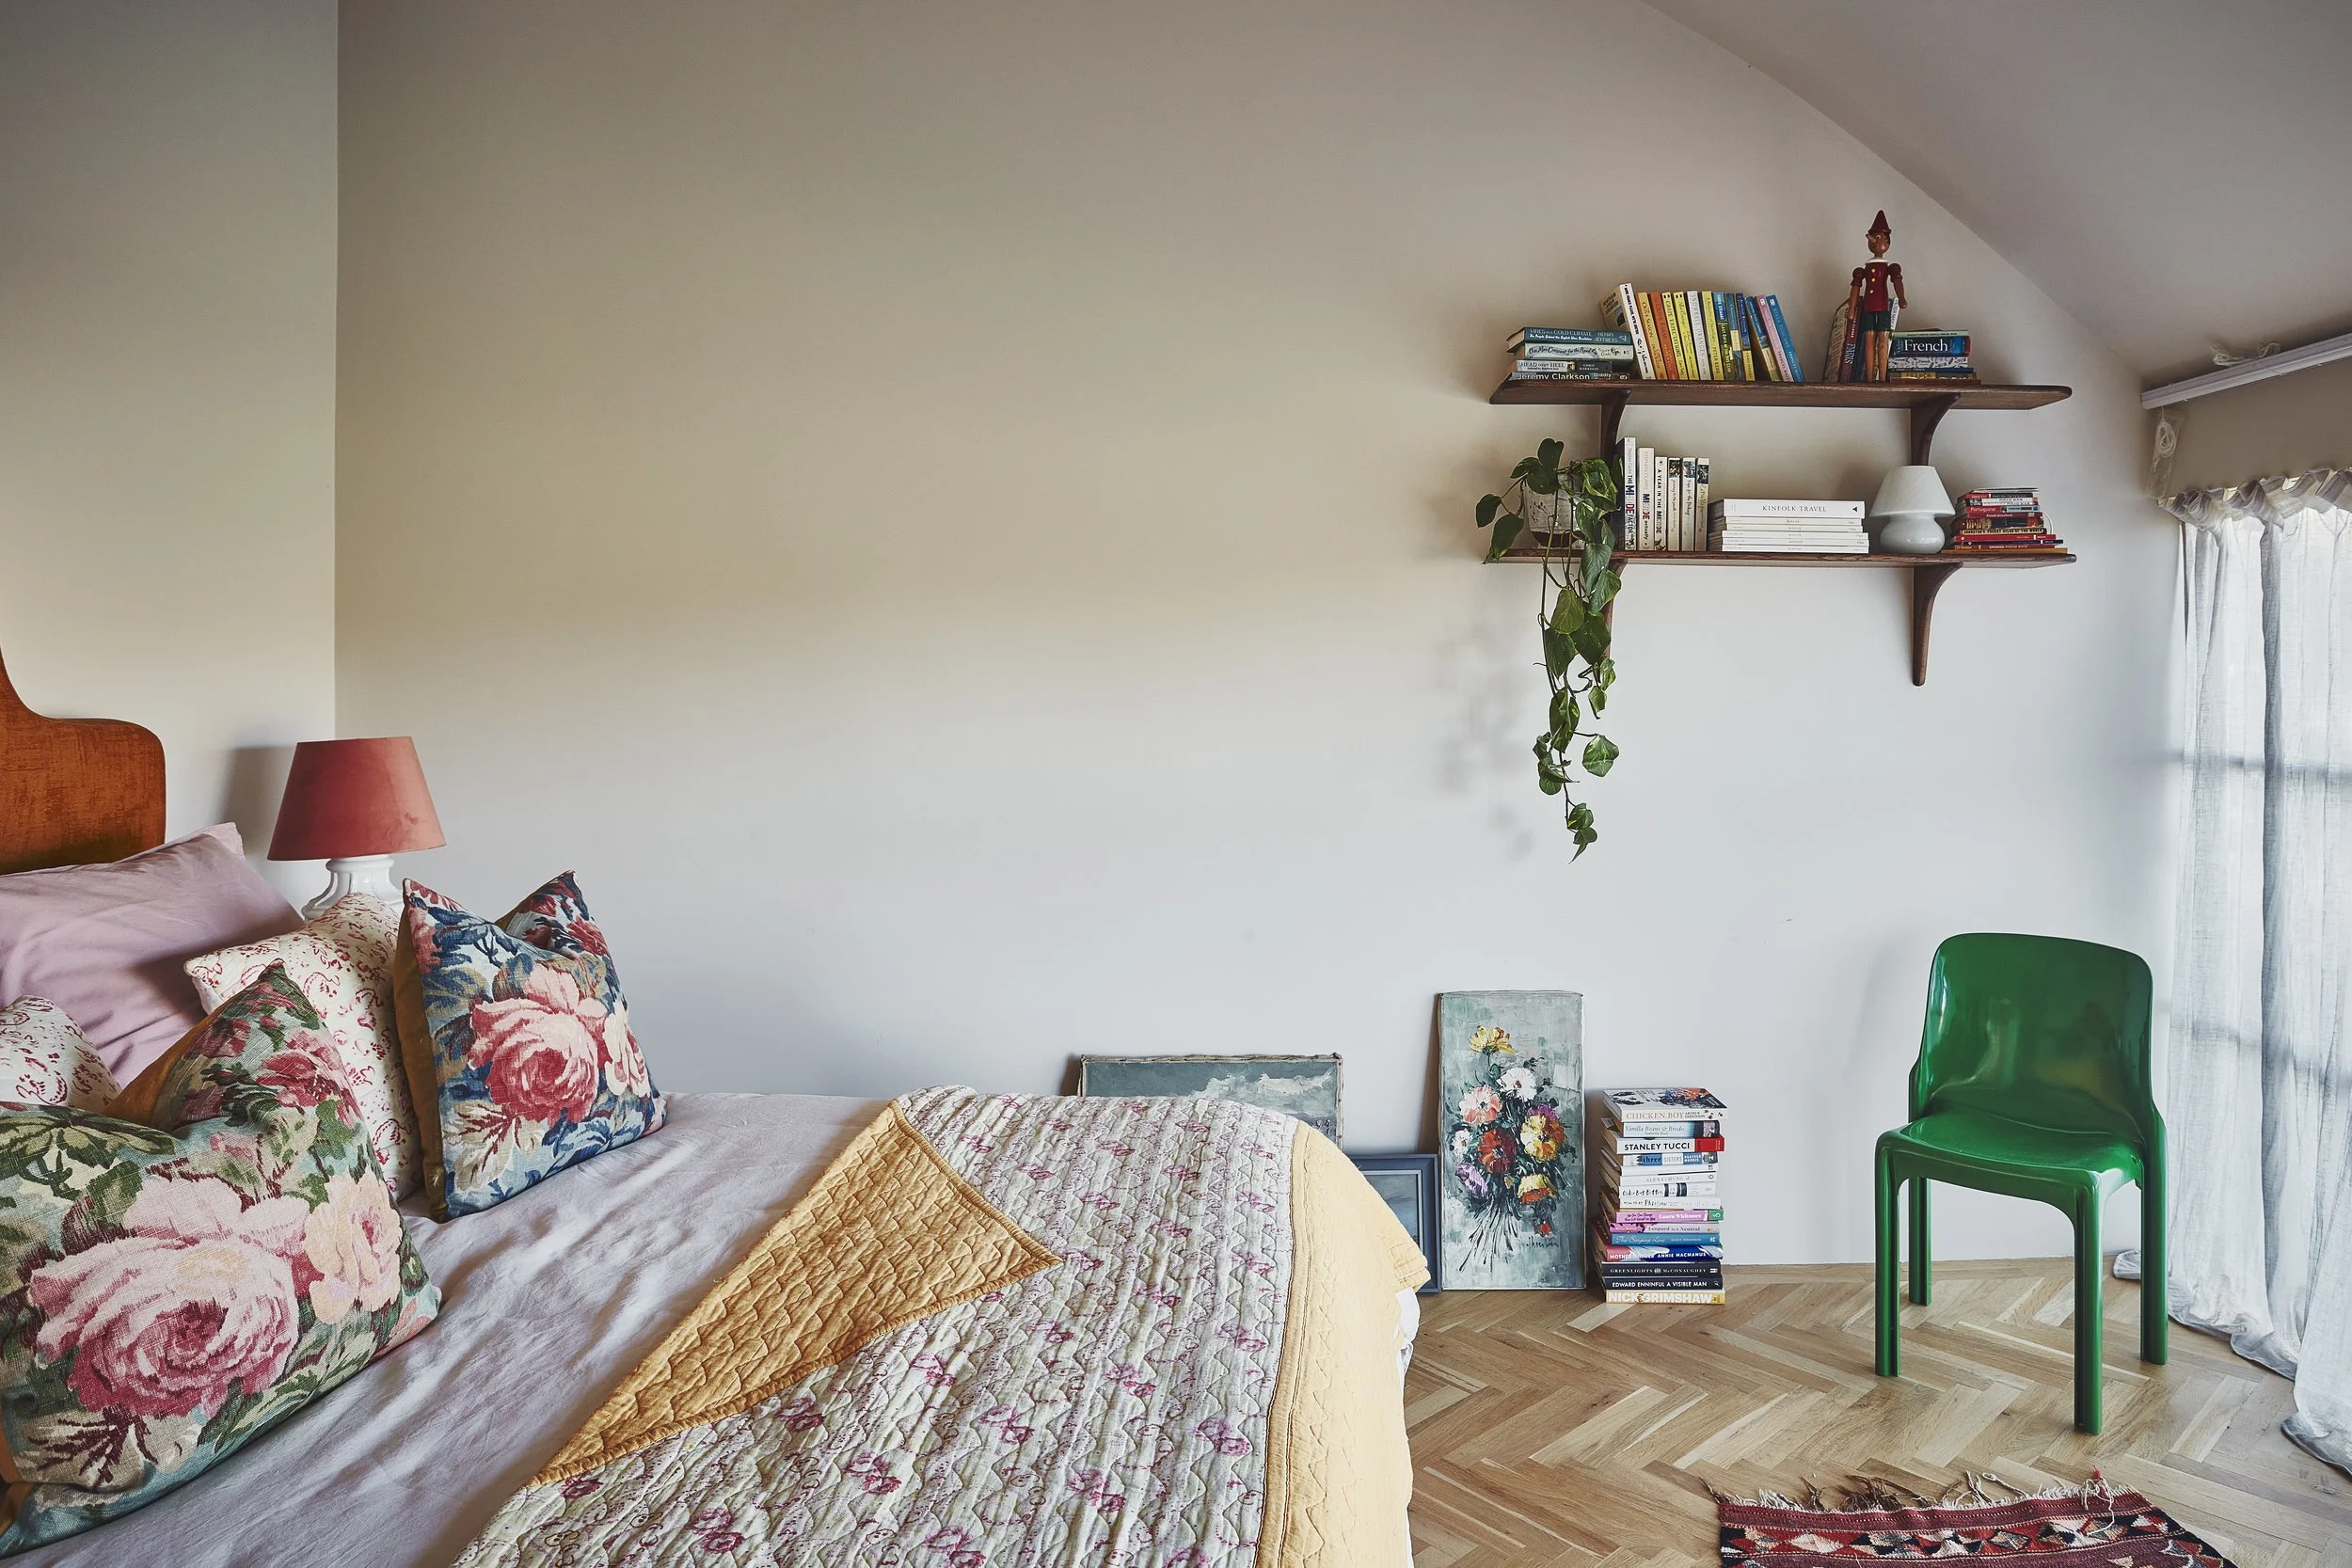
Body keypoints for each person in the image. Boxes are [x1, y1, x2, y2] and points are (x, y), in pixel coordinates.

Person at [1846, 211, 1905, 382]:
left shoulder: (1889, 267)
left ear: (1887, 242)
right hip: (1868, 308)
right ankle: (1871, 378)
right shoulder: (1862, 269)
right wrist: (1851, 309)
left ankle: (1883, 377)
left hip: (1883, 306)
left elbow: (1897, 281)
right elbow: (1856, 288)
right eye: (1873, 237)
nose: (1874, 241)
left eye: (1878, 237)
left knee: (1883, 340)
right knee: (1869, 340)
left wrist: (1901, 298)